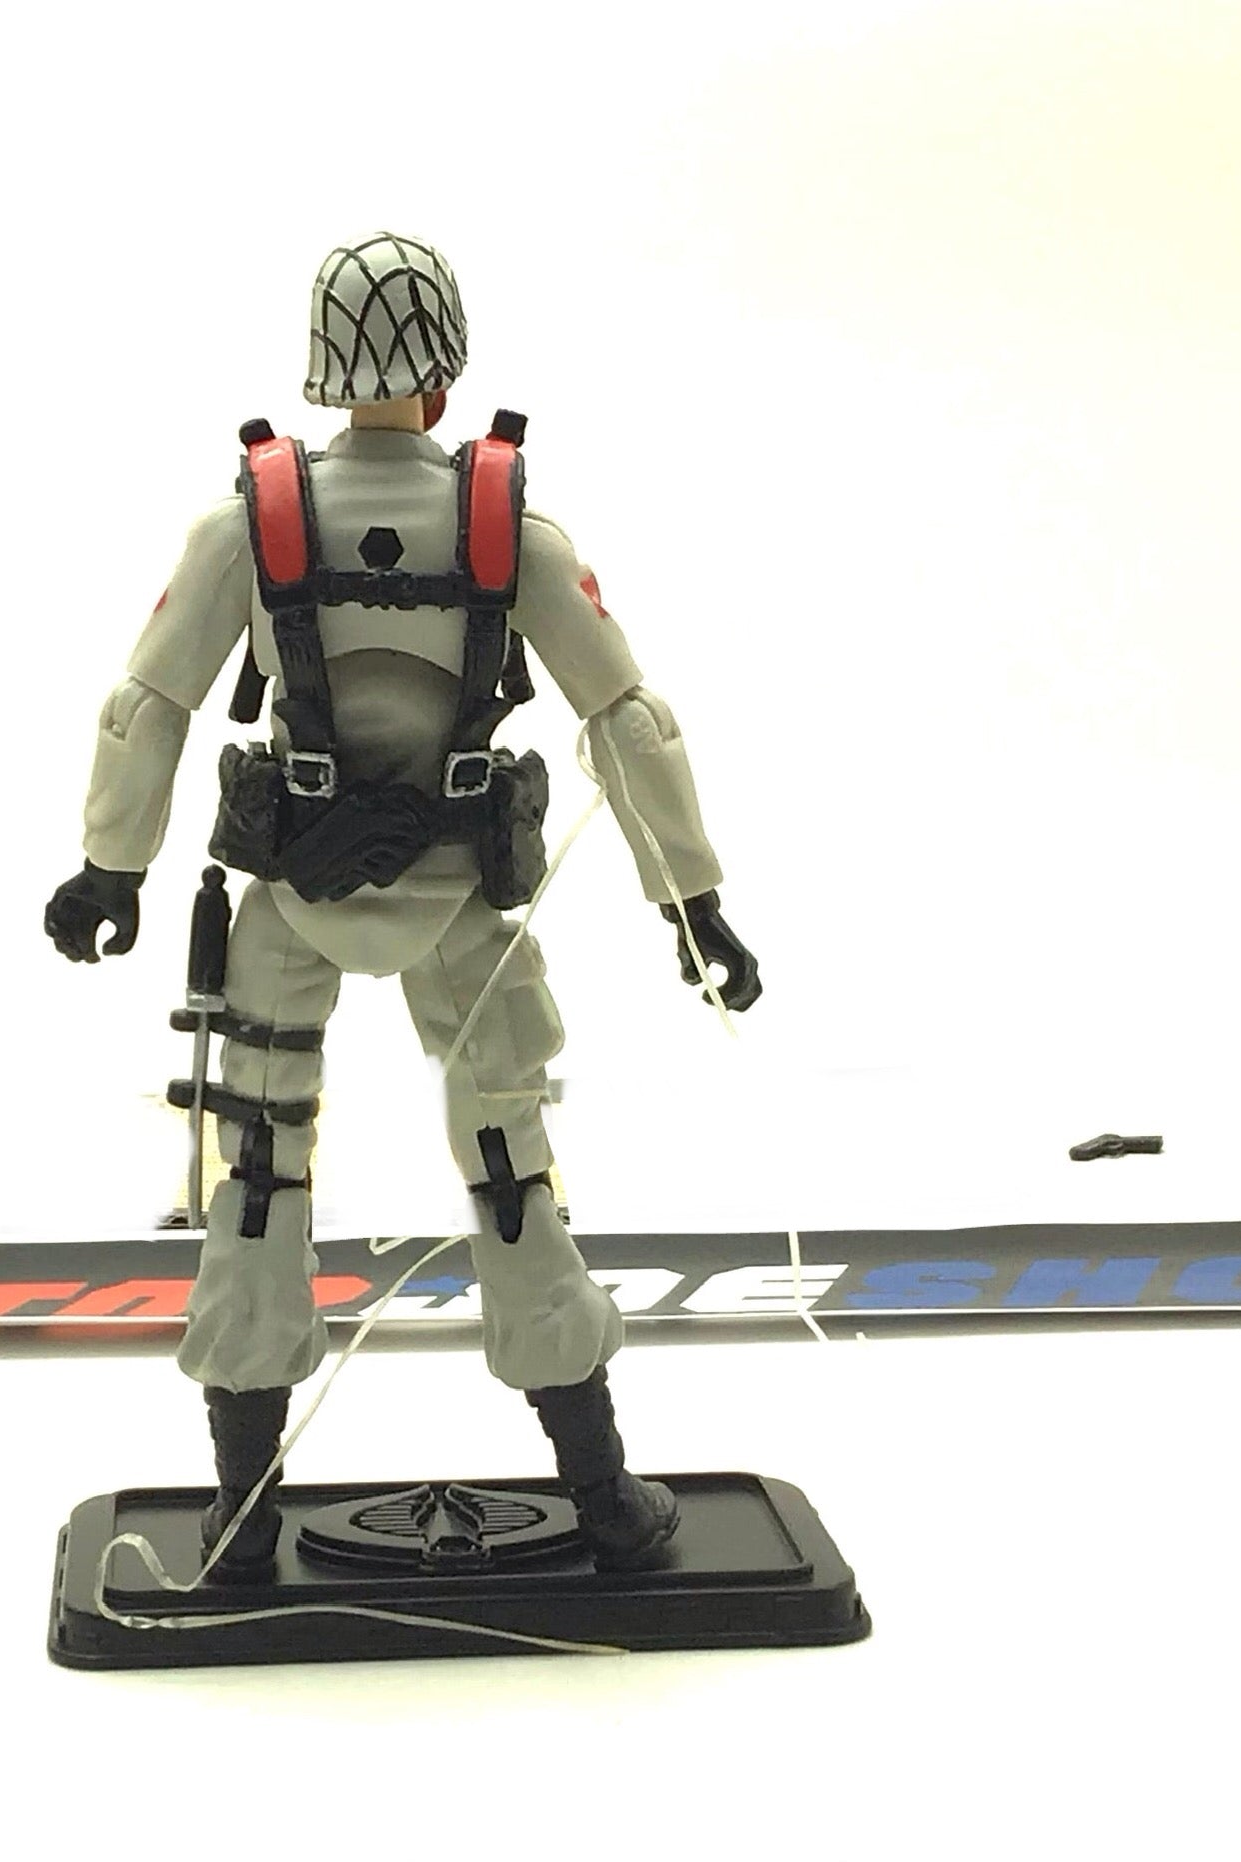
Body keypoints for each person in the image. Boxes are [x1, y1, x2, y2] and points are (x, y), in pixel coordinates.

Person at [45, 231, 760, 1580]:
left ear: (322, 371)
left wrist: (110, 866)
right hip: (462, 908)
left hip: (288, 906)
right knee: (512, 1179)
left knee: (257, 1183)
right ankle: (602, 1498)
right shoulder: (511, 529)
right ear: (444, 375)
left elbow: (147, 704)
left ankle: (241, 1522)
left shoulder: (246, 526)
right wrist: (691, 900)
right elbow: (629, 718)